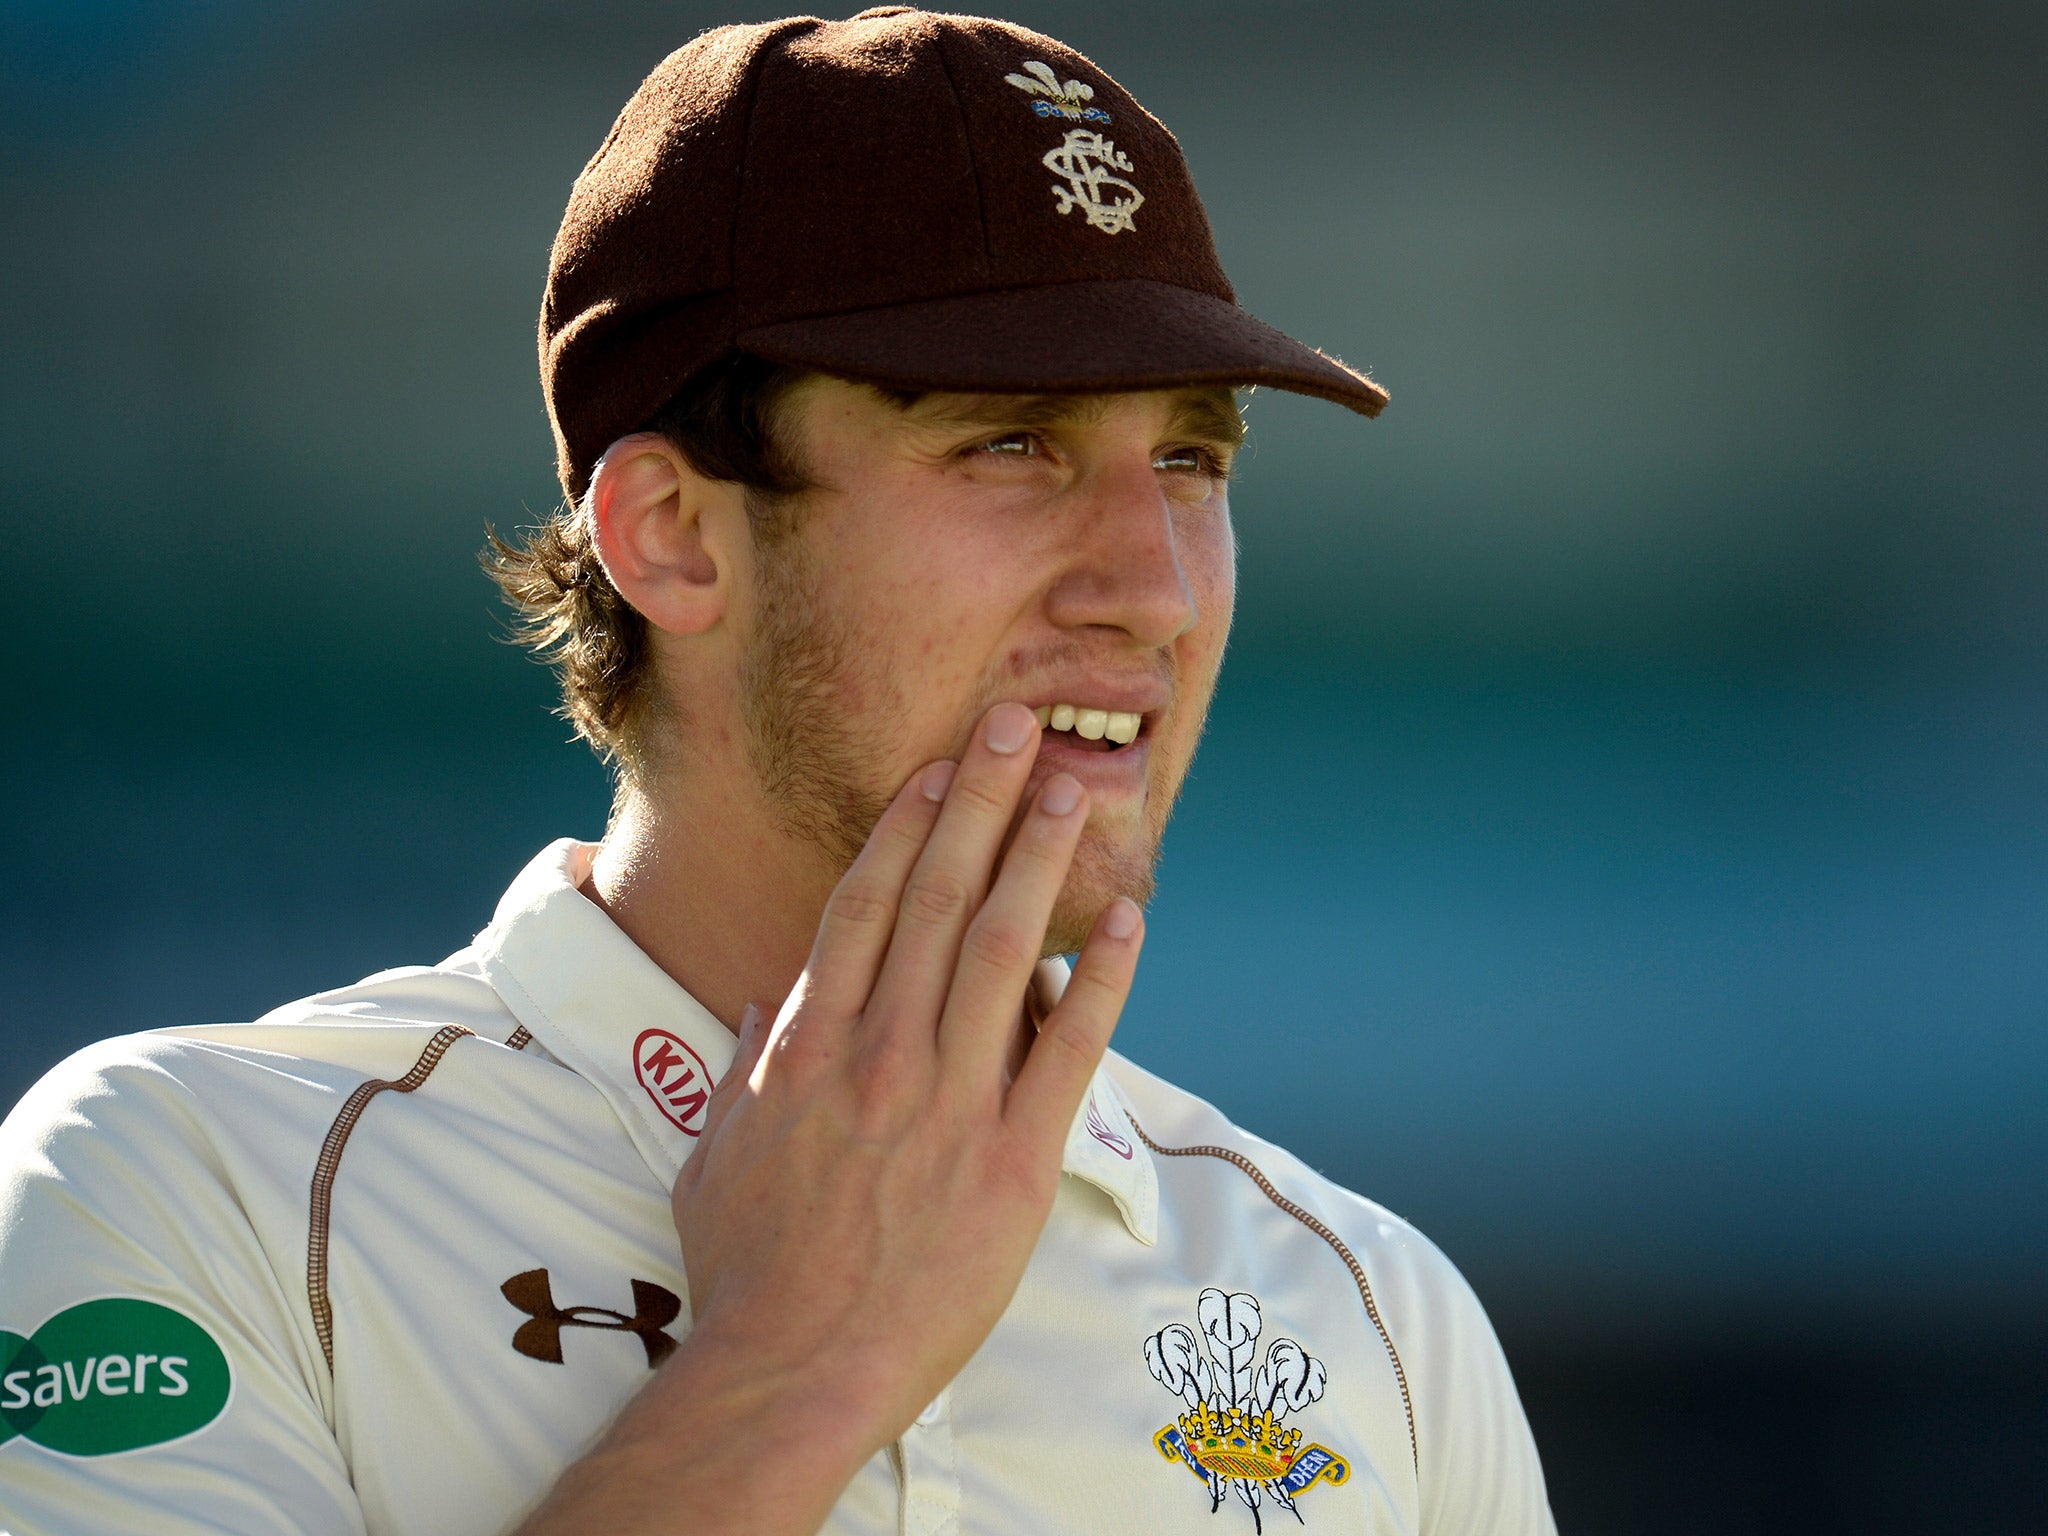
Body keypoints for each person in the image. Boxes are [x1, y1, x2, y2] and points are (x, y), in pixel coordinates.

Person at [0, 10, 1553, 1534]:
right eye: (1011, 445)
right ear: (672, 535)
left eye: (1191, 461)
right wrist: (795, 1361)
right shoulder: (190, 1185)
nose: (1153, 588)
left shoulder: (1377, 1322)